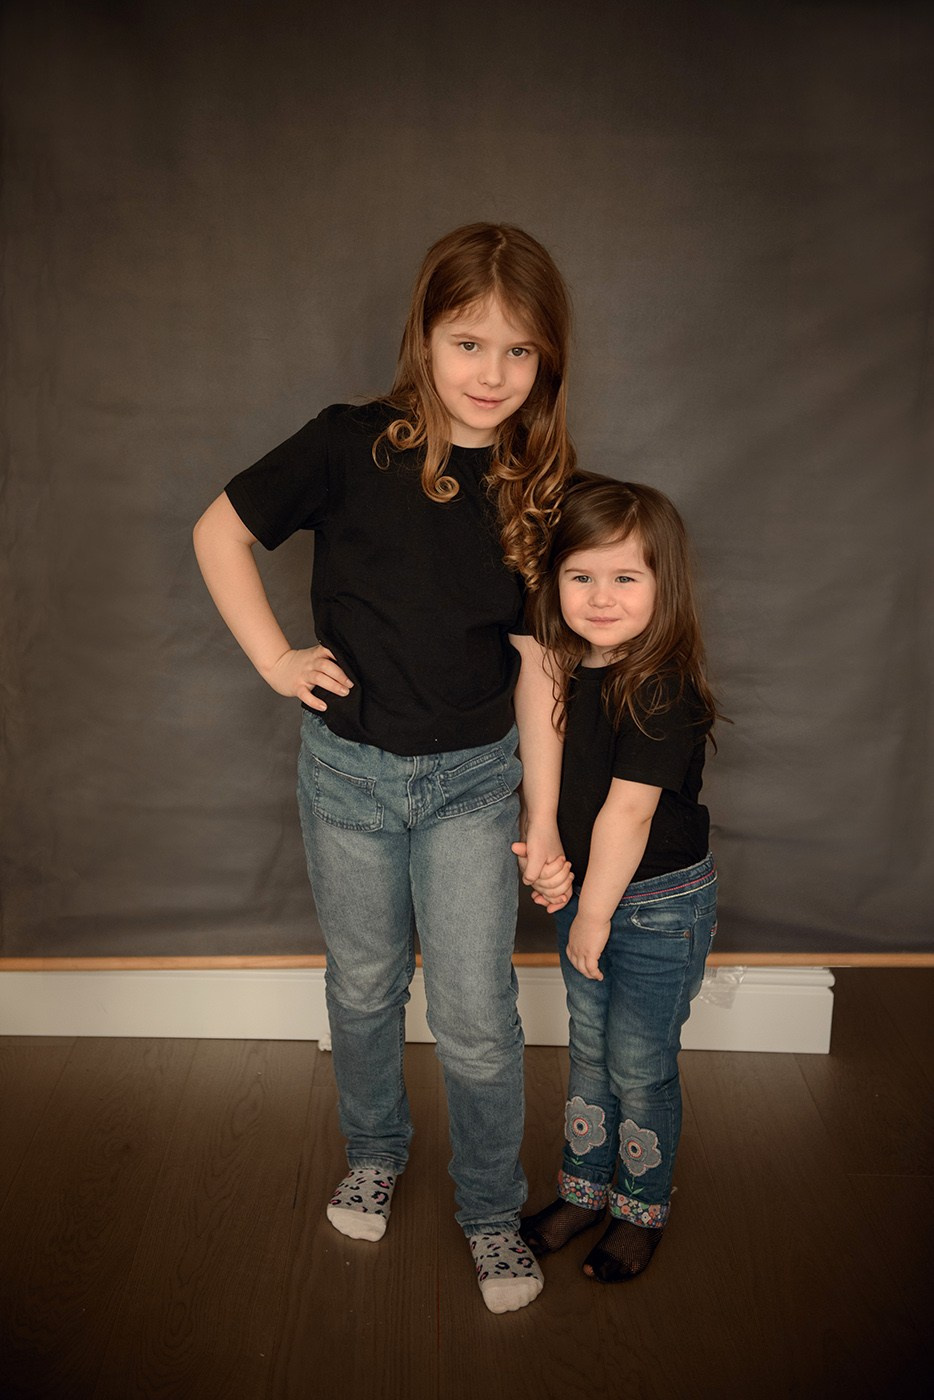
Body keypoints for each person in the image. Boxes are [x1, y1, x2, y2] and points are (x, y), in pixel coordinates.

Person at [193, 223, 575, 1313]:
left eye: (519, 353)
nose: (492, 374)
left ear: (546, 360)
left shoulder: (537, 484)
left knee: (473, 1009)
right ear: (425, 334)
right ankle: (374, 1147)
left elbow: (543, 666)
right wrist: (273, 655)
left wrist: (541, 820)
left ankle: (492, 1208)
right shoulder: (345, 444)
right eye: (469, 343)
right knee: (362, 984)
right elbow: (217, 532)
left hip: (472, 784)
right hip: (348, 779)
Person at [513, 477, 719, 1283]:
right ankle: (582, 1189)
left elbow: (627, 816)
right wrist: (548, 858)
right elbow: (560, 787)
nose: (601, 598)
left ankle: (640, 1208)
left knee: (638, 1063)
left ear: (663, 586)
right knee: (591, 1058)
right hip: (594, 897)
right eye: (581, 576)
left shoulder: (663, 684)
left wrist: (591, 913)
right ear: (555, 580)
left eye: (626, 578)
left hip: (657, 906)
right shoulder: (568, 668)